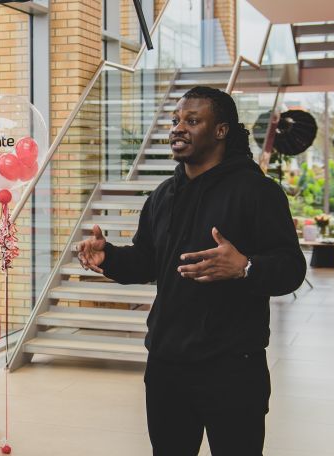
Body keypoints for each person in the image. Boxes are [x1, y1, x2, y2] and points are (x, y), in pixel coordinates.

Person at [77, 86, 306, 455]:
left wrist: (245, 266)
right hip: (167, 363)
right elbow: (149, 260)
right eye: (175, 120)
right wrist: (111, 259)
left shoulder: (258, 192)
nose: (178, 128)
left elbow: (292, 268)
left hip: (233, 366)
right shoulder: (162, 196)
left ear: (221, 130)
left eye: (192, 120)